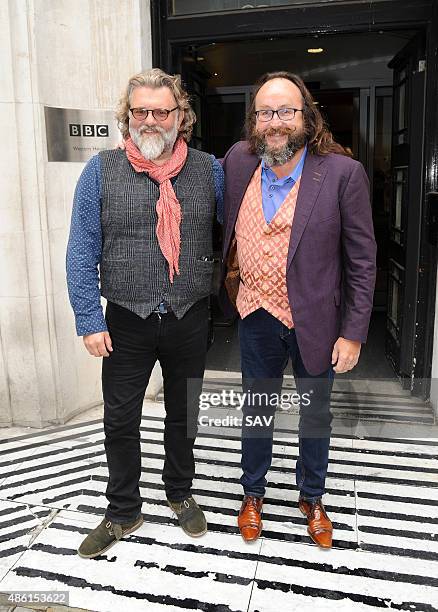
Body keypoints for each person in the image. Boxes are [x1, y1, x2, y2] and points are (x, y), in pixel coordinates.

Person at [66, 68, 224, 558]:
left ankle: (179, 491)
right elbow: (81, 248)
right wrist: (89, 318)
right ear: (127, 116)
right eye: (141, 111)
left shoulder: (209, 170)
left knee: (184, 414)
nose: (150, 120)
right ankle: (122, 509)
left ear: (182, 117)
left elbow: (241, 229)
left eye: (162, 111)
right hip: (125, 320)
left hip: (189, 315)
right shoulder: (100, 169)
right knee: (120, 419)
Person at [220, 71, 376, 548]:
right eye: (265, 112)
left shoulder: (342, 173)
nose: (275, 122)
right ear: (255, 120)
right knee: (256, 411)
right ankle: (253, 493)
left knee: (315, 415)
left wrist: (352, 332)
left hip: (317, 321)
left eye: (286, 111)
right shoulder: (238, 161)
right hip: (255, 314)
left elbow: (362, 259)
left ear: (306, 117)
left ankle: (312, 495)